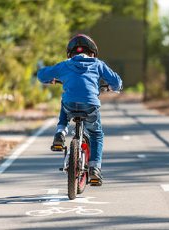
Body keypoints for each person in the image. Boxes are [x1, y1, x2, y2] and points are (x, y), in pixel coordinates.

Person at [37, 34, 122, 185]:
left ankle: (60, 132)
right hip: (90, 106)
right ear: (92, 53)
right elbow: (116, 82)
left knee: (65, 100)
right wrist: (112, 87)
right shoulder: (98, 64)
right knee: (96, 134)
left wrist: (50, 79)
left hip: (70, 105)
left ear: (71, 53)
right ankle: (95, 169)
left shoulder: (66, 64)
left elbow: (42, 74)